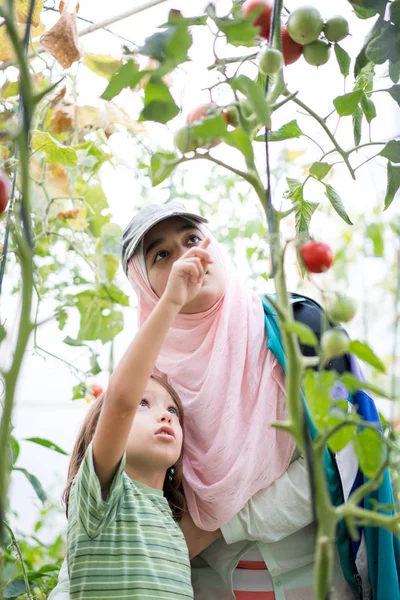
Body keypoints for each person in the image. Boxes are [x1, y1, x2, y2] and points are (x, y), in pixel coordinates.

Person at [50, 202, 372, 600]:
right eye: (161, 255)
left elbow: (339, 460)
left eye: (192, 239)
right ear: (143, 283)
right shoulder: (147, 381)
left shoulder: (295, 328)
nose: (186, 256)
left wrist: (214, 527)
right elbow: (108, 515)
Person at [61, 235, 216, 599]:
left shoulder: (171, 523)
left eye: (172, 410)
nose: (164, 415)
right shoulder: (102, 496)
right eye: (145, 404)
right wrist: (172, 301)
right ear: (99, 432)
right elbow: (119, 403)